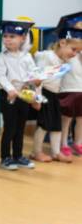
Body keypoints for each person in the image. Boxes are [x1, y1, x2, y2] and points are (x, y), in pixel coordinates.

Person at [0, 20, 38, 170]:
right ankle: (5, 157)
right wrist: (10, 89)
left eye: (12, 36)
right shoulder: (1, 57)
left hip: (24, 95)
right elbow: (1, 76)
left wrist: (34, 84)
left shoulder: (27, 57)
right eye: (5, 36)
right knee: (10, 127)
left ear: (22, 38)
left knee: (20, 127)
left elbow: (32, 74)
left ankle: (18, 156)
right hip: (9, 96)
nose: (7, 39)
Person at [32, 34, 79, 163]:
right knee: (44, 123)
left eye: (77, 51)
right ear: (62, 43)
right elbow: (38, 78)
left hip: (54, 94)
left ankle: (56, 152)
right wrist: (37, 97)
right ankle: (36, 152)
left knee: (56, 124)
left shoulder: (63, 61)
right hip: (44, 93)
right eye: (73, 49)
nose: (74, 54)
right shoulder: (47, 56)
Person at [57, 13, 82, 157]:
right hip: (67, 89)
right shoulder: (67, 51)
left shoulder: (79, 53)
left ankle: (78, 143)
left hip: (80, 90)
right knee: (66, 119)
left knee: (80, 119)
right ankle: (64, 144)